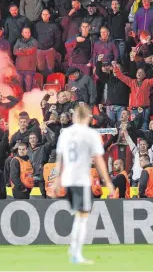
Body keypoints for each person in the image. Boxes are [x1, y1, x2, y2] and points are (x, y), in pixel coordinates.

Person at [52, 105, 114, 264]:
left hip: (67, 179)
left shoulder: (65, 134)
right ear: (88, 117)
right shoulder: (90, 134)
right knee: (83, 217)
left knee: (79, 215)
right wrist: (108, 182)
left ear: (73, 118)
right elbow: (99, 160)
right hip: (80, 179)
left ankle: (74, 249)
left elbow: (59, 159)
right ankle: (75, 252)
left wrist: (57, 180)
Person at [34, 9, 61, 75]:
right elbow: (33, 38)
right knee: (40, 68)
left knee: (51, 68)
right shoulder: (37, 25)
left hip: (50, 50)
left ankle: (50, 81)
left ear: (49, 15)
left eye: (46, 14)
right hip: (40, 50)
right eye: (43, 14)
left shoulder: (54, 26)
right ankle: (42, 82)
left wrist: (54, 48)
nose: (45, 16)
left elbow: (58, 38)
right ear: (41, 16)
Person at [13, 27, 38, 92]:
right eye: (26, 32)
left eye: (29, 32)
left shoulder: (34, 41)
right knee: (19, 87)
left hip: (29, 68)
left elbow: (31, 50)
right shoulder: (18, 40)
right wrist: (25, 50)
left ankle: (27, 100)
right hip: (19, 68)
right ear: (22, 33)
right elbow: (15, 51)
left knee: (28, 88)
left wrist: (21, 49)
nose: (27, 34)